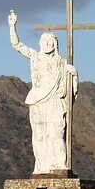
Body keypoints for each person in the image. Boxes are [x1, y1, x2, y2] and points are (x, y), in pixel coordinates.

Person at [8, 10, 77, 174]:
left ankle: (59, 165)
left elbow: (71, 84)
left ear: (56, 44)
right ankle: (41, 167)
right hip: (38, 101)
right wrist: (12, 26)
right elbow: (17, 45)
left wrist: (73, 73)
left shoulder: (62, 62)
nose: (47, 43)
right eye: (44, 40)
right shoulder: (35, 57)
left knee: (56, 132)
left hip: (54, 101)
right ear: (40, 43)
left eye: (51, 41)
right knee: (40, 135)